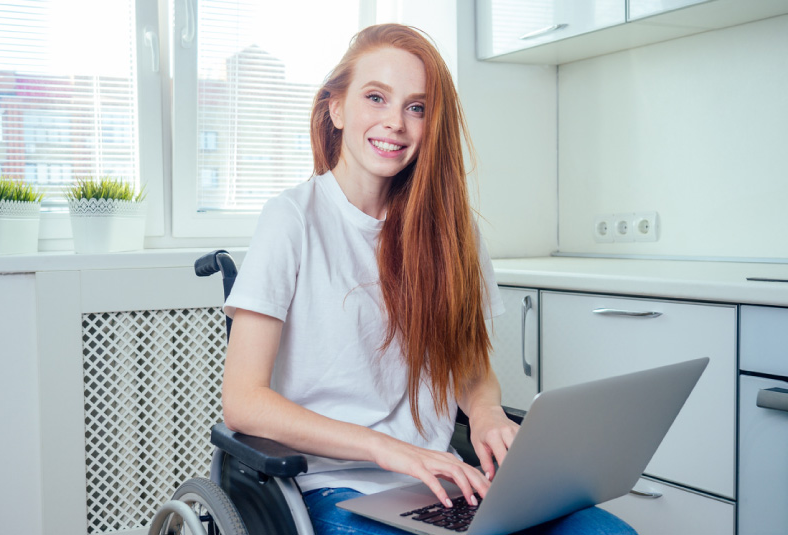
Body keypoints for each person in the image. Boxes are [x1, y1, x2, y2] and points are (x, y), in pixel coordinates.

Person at [222, 23, 636, 535]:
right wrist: (388, 449)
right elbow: (243, 401)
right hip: (331, 485)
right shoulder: (293, 220)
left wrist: (485, 414)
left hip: (438, 482)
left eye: (416, 107)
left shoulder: (452, 232)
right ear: (335, 108)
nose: (395, 122)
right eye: (376, 97)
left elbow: (469, 369)